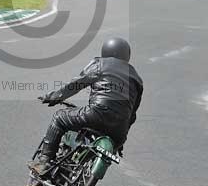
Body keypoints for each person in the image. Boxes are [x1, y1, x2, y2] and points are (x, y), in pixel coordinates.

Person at [28, 37, 144, 176]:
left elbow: (77, 84)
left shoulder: (100, 63)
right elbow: (133, 114)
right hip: (120, 129)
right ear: (127, 55)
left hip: (96, 113)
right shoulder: (137, 78)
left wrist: (54, 97)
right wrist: (121, 139)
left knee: (59, 117)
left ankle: (44, 161)